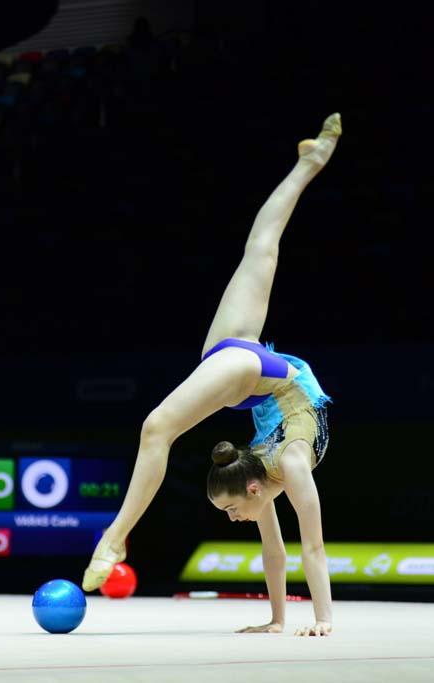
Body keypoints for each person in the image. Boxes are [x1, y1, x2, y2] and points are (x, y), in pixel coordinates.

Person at [82, 113, 342, 637]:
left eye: (227, 509)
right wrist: (311, 622)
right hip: (255, 373)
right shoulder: (288, 467)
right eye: (229, 509)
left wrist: (295, 624)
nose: (233, 517)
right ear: (252, 486)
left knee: (261, 250)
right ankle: (114, 538)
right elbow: (305, 546)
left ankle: (308, 163)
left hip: (250, 374)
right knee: (157, 429)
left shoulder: (259, 480)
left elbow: (280, 548)